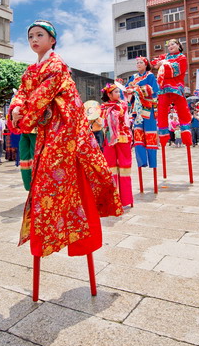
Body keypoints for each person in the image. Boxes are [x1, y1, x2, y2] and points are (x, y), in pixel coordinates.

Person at [9, 20, 122, 298]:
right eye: (31, 36)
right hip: (48, 134)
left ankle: (63, 232)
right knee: (43, 184)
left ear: (52, 40)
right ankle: (51, 232)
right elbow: (23, 94)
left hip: (66, 134)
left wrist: (21, 113)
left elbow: (39, 96)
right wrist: (15, 108)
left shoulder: (56, 66)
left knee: (53, 183)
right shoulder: (31, 69)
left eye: (40, 35)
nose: (34, 39)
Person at [151, 39, 192, 146]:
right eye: (168, 45)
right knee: (162, 110)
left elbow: (177, 70)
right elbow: (154, 62)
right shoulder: (165, 56)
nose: (170, 46)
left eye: (172, 44)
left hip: (176, 87)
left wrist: (164, 64)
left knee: (182, 109)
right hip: (164, 88)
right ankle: (164, 136)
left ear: (179, 45)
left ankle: (186, 133)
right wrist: (162, 63)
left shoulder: (182, 57)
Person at [100, 83, 133, 208]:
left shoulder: (122, 105)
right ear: (108, 94)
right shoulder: (103, 107)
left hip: (123, 138)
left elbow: (122, 116)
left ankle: (126, 199)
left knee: (124, 168)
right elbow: (102, 122)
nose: (119, 94)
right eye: (116, 92)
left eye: (119, 92)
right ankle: (112, 199)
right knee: (110, 168)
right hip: (109, 139)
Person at [125, 57, 160, 167]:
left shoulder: (149, 75)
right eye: (137, 63)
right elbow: (126, 90)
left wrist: (135, 89)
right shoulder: (133, 77)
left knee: (150, 134)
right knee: (138, 134)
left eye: (141, 62)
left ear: (146, 65)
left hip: (148, 108)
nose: (138, 64)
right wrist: (128, 90)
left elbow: (153, 89)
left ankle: (152, 163)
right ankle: (142, 162)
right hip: (137, 110)